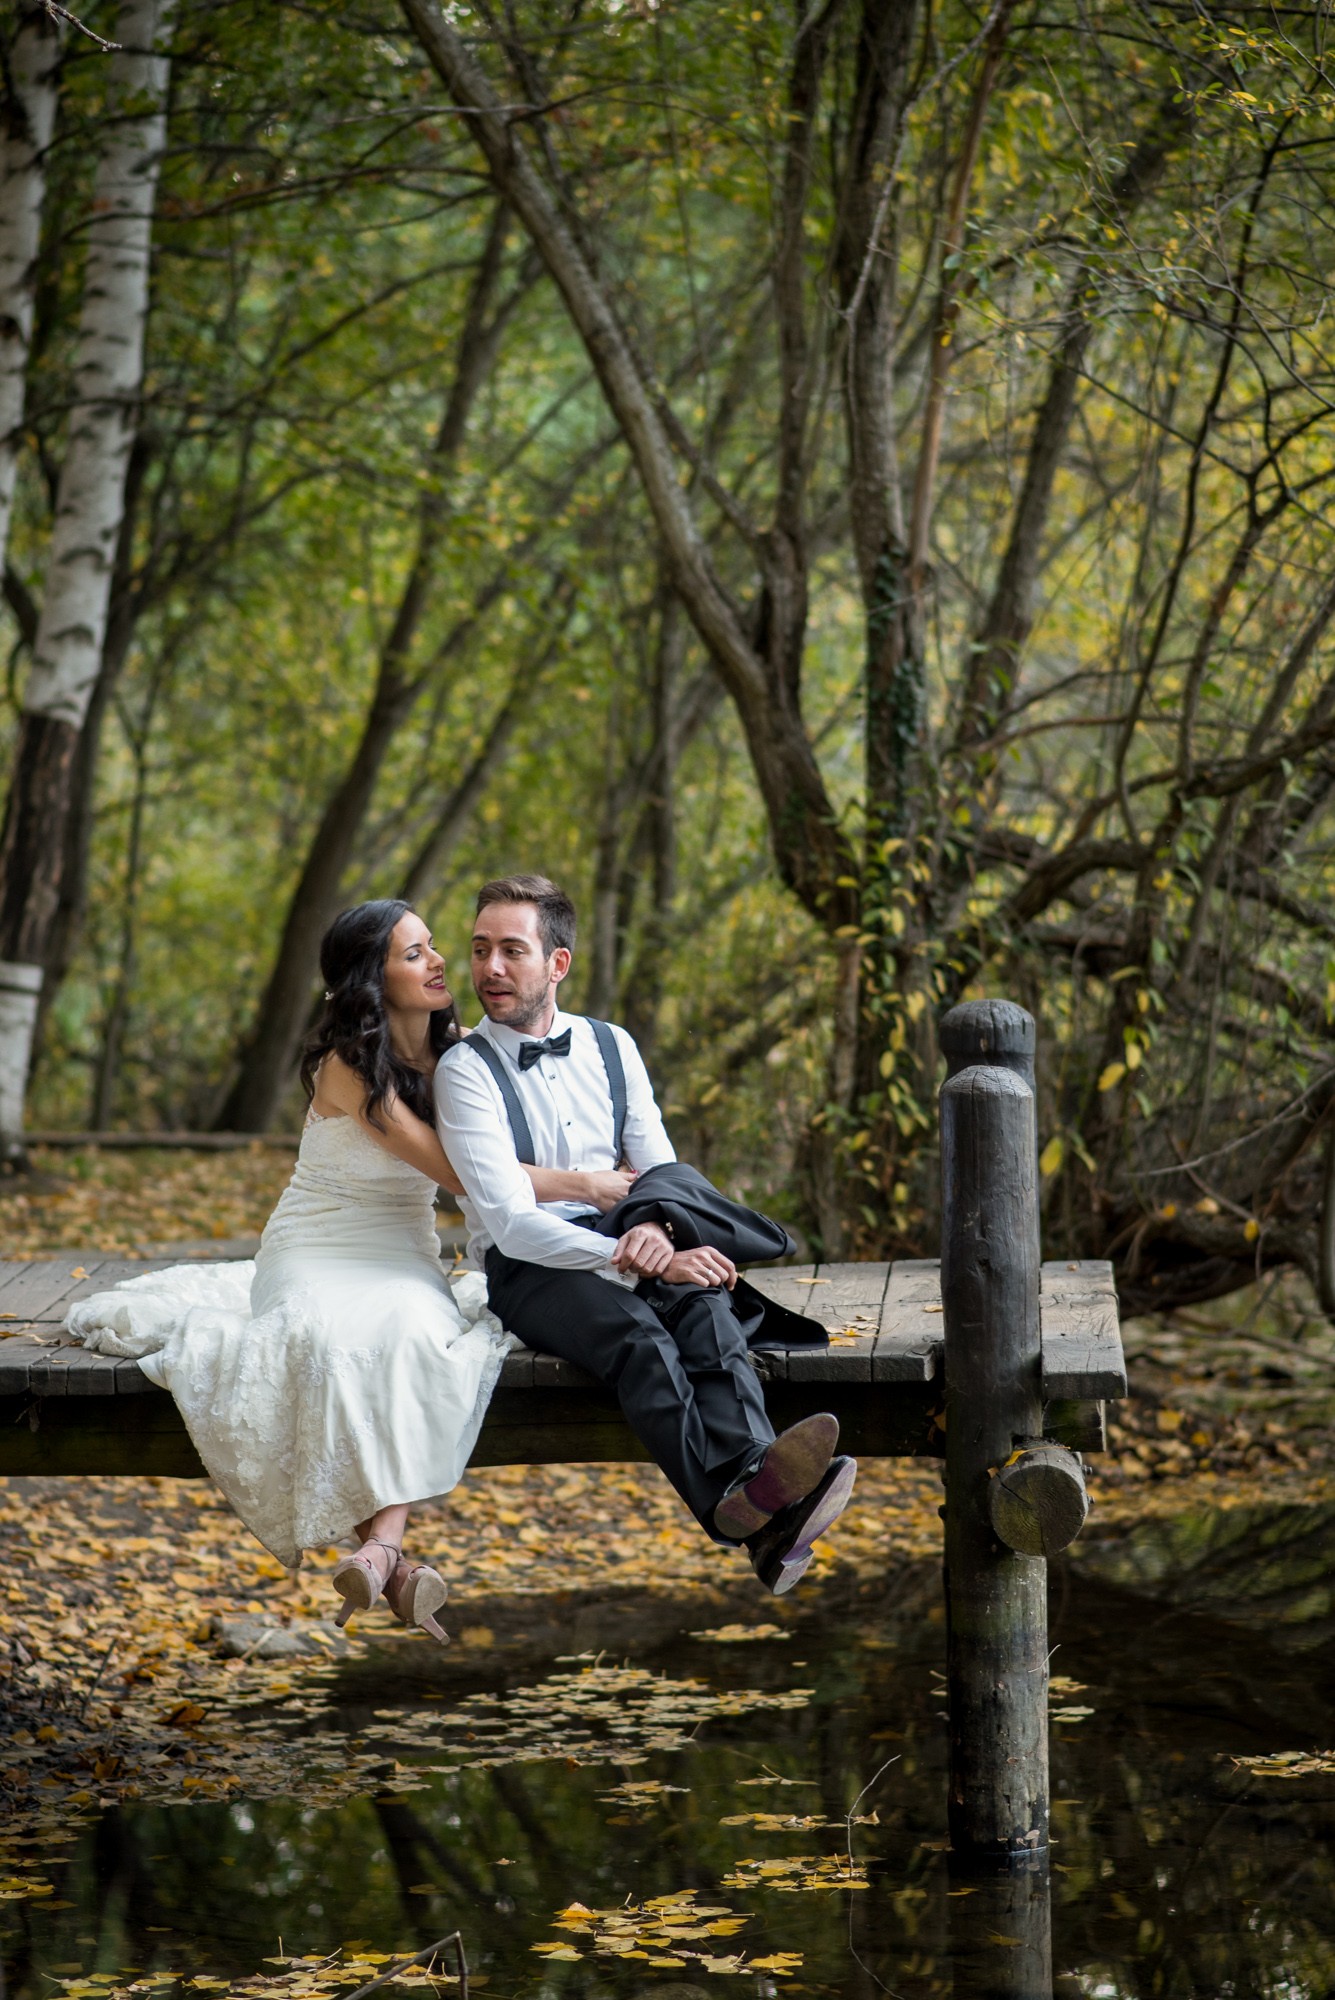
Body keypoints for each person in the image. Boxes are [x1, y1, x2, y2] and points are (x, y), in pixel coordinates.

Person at [64, 899, 634, 1641]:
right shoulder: (347, 1068)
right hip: (318, 1247)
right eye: (414, 953)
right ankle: (392, 1557)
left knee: (411, 1333)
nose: (438, 962)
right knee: (323, 1339)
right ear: (374, 979)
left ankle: (380, 1557)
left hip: (399, 1251)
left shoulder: (461, 1053)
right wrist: (586, 1183)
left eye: (432, 947)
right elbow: (462, 1173)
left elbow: (500, 1155)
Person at [434, 873, 857, 1595]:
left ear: (556, 963)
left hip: (633, 1236)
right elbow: (510, 1219)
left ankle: (760, 1494)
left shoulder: (611, 1046)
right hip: (531, 1267)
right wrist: (626, 1255)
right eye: (479, 950)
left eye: (511, 950)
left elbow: (660, 1169)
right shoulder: (463, 1072)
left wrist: (658, 1232)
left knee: (709, 1309)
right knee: (640, 1341)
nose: (490, 969)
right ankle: (743, 1510)